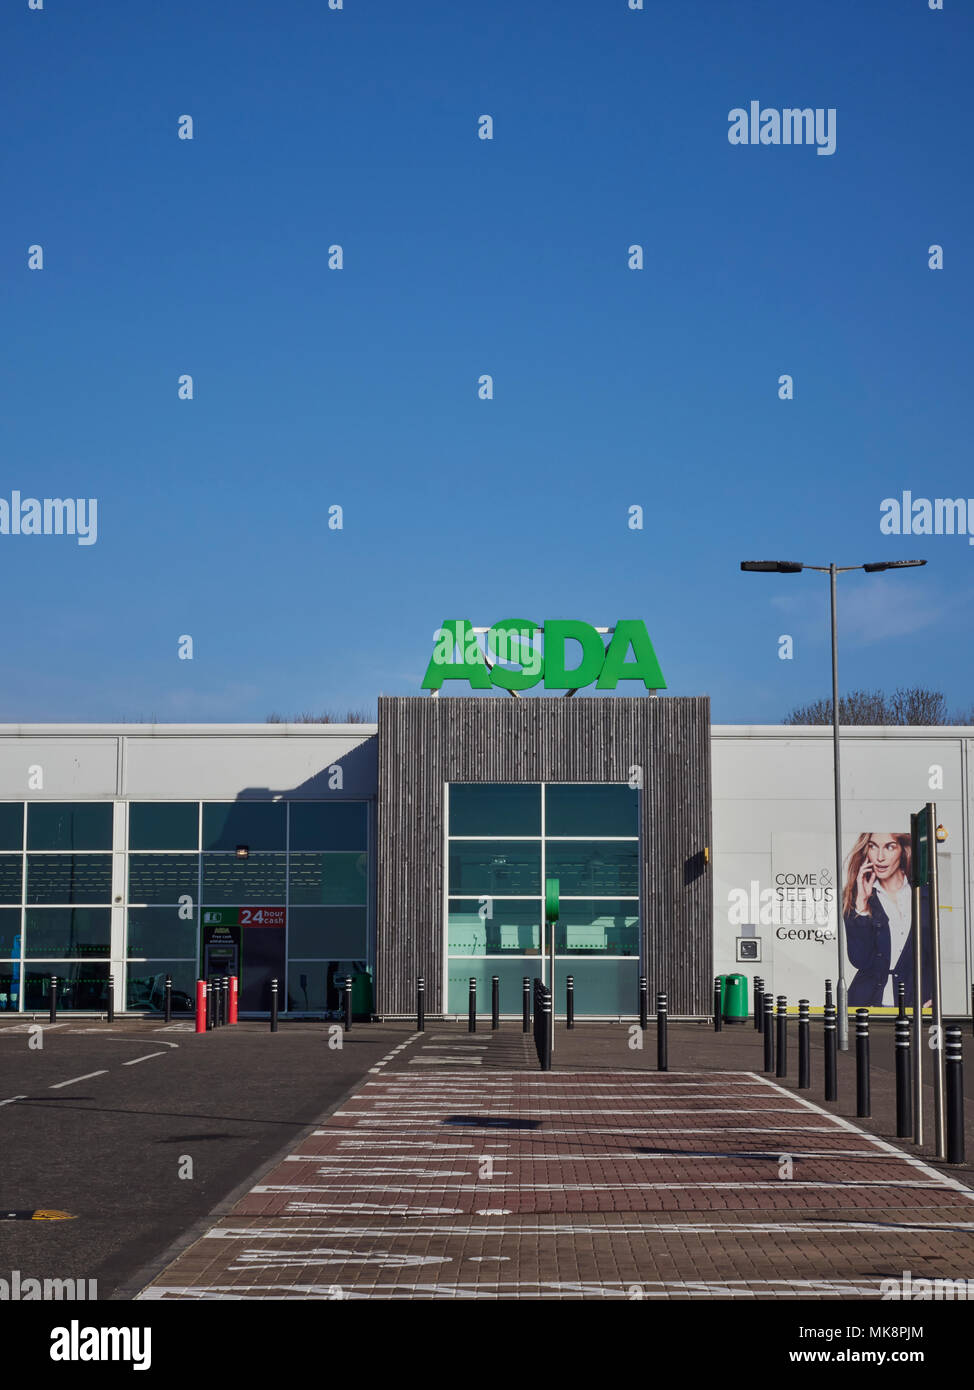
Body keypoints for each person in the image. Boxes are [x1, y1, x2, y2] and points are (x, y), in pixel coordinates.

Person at [843, 831, 931, 1007]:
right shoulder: (857, 897)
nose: (880, 857)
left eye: (890, 847)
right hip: (866, 1003)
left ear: (903, 850)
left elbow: (934, 954)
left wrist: (932, 993)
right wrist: (862, 904)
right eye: (873, 847)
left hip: (914, 1002)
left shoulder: (924, 894)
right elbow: (859, 960)